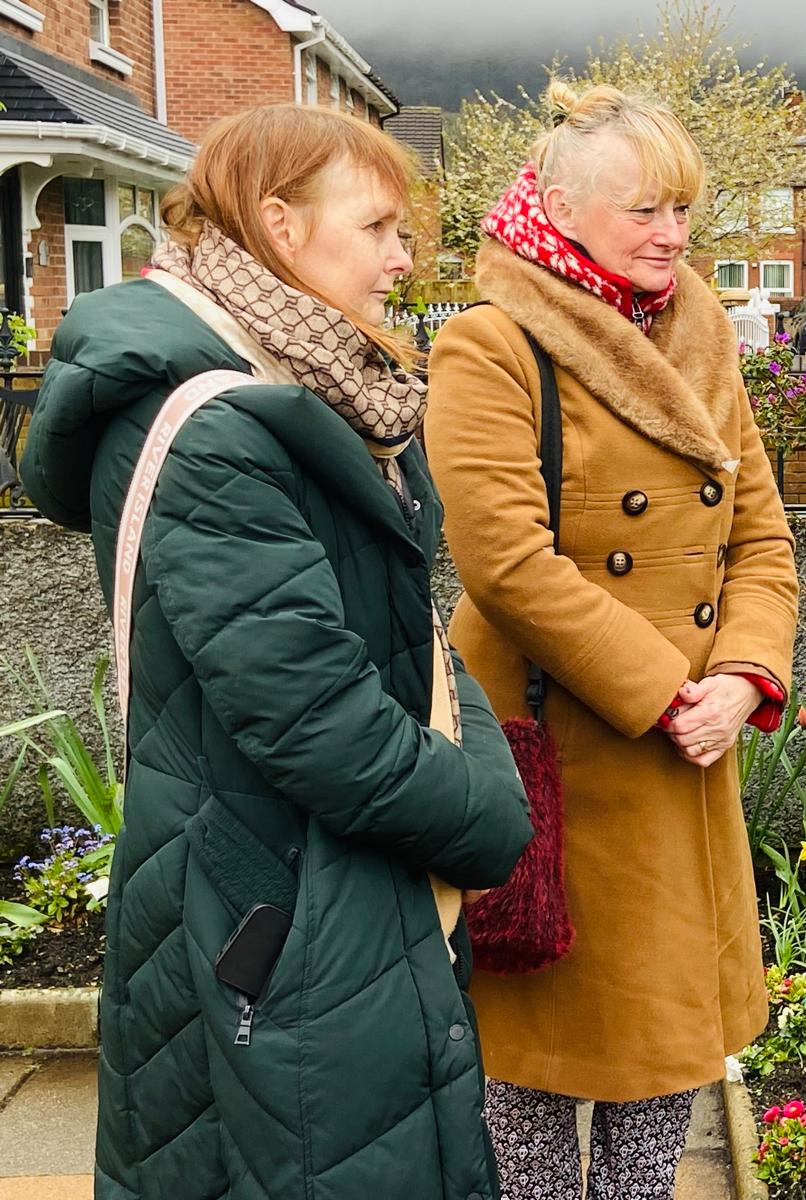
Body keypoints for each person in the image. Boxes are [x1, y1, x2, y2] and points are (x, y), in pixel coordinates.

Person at [20, 105, 532, 1200]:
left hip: (302, 882)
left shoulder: (307, 390)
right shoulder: (216, 428)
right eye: (378, 227)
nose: (403, 258)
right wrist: (491, 820)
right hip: (276, 903)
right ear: (280, 224)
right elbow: (320, 722)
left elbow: (396, 638)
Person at [425, 80, 798, 1198]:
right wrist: (668, 690)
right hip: (561, 747)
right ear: (558, 207)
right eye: (645, 210)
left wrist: (744, 675)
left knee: (664, 1051)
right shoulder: (490, 344)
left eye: (682, 209)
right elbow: (505, 563)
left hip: (687, 748)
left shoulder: (699, 334)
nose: (673, 234)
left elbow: (761, 536)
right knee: (533, 1064)